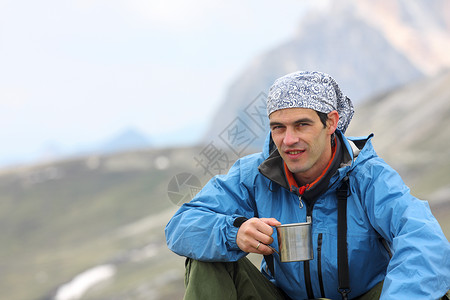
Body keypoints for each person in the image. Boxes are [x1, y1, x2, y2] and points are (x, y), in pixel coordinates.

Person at [165, 71, 450, 299]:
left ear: (331, 123)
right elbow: (181, 225)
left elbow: (424, 240)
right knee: (206, 257)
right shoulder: (253, 175)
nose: (288, 140)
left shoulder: (369, 177)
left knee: (434, 287)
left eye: (302, 125)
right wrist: (234, 232)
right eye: (279, 127)